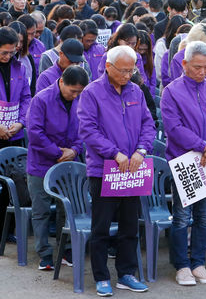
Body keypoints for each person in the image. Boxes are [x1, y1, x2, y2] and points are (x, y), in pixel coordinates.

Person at [78, 45, 154, 296]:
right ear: (108, 67)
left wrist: (141, 151)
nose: (127, 76)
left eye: (131, 71)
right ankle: (101, 277)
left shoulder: (136, 91)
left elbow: (147, 123)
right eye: (123, 71)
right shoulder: (92, 92)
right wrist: (114, 153)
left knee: (130, 225)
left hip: (132, 169)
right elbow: (88, 131)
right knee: (101, 227)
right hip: (104, 170)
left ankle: (126, 273)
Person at [160, 41, 206, 286]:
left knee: (204, 216)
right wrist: (203, 146)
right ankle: (181, 266)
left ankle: (198, 263)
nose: (202, 72)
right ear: (184, 64)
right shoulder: (172, 91)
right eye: (197, 67)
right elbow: (174, 127)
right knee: (182, 216)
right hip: (185, 163)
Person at [27, 66, 88, 270]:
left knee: (67, 208)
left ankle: (66, 249)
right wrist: (57, 152)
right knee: (41, 210)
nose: (75, 95)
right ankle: (44, 254)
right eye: (73, 91)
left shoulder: (80, 100)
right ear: (61, 82)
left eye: (79, 92)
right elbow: (35, 133)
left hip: (69, 162)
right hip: (41, 163)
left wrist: (74, 150)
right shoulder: (42, 99)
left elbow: (84, 129)